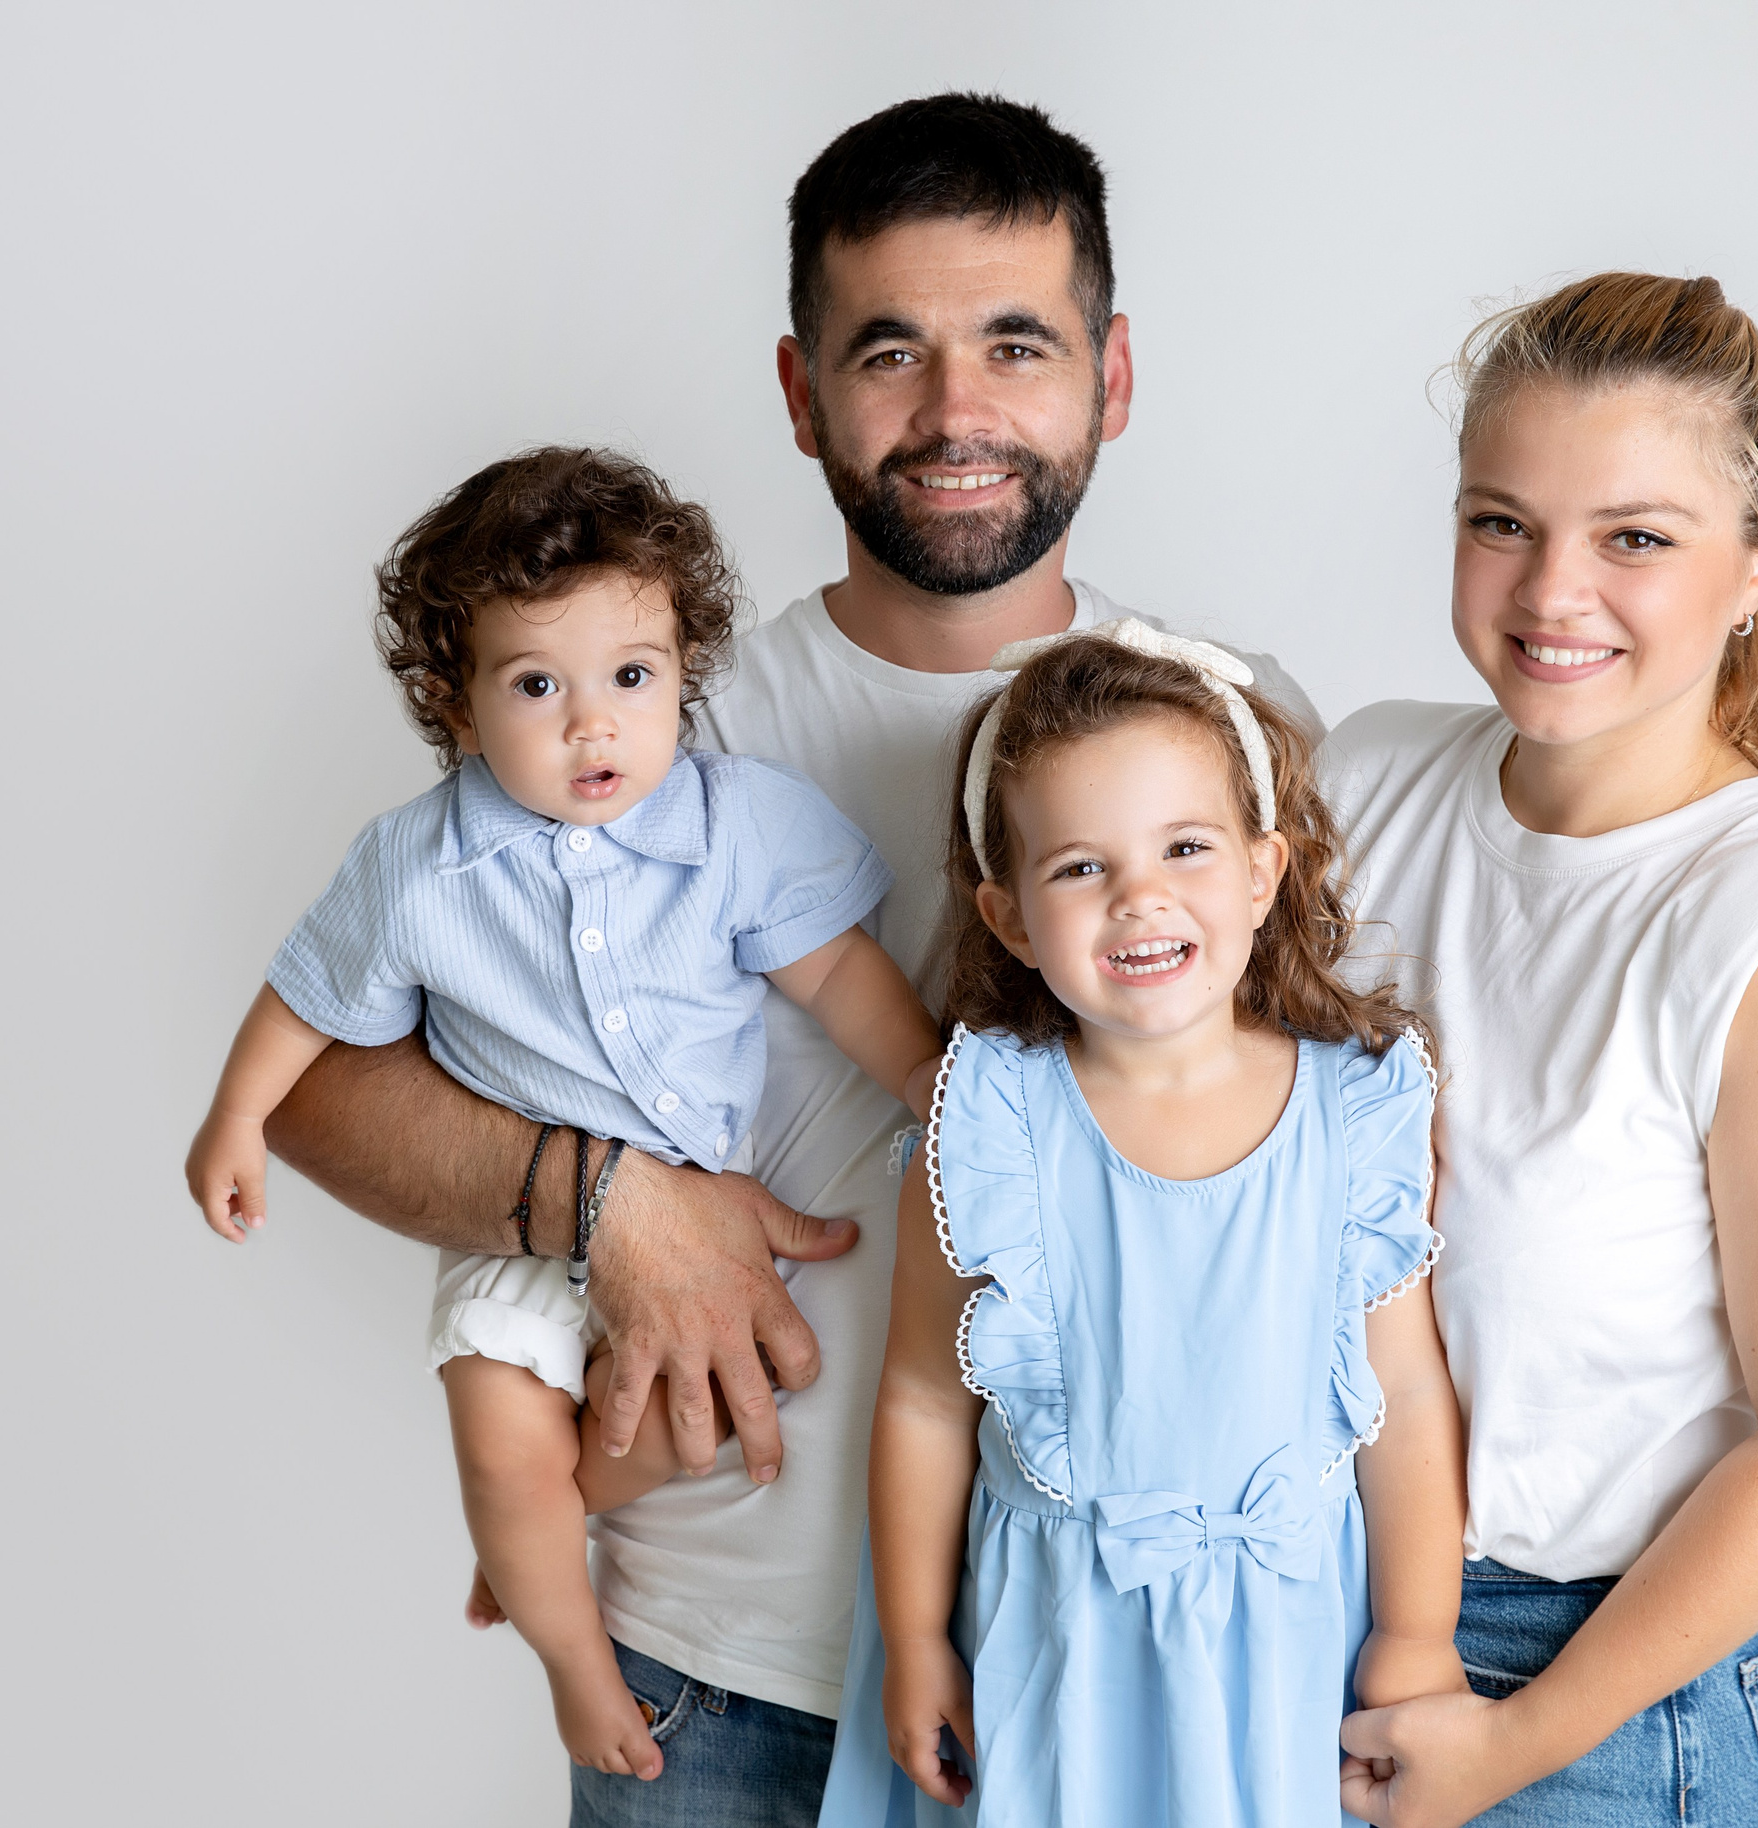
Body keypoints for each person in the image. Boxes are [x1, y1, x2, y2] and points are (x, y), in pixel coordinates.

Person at [257, 95, 1314, 1824]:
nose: (956, 410)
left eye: (1017, 344)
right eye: (889, 349)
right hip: (721, 1670)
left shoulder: (1232, 733)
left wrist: (1620, 1529)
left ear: (1111, 377)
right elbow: (315, 1092)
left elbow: (1358, 1171)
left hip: (1132, 1663)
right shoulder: (637, 721)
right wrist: (612, 1201)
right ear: (800, 389)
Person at [185, 447, 945, 1780]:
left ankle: (525, 1535)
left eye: (632, 681)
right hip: (524, 1239)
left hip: (714, 1225)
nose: (594, 726)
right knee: (498, 1426)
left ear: (683, 672)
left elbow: (835, 973)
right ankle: (572, 1656)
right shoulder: (417, 862)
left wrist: (935, 1084)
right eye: (541, 687)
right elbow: (306, 1000)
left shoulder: (736, 823)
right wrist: (233, 1122)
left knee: (709, 1400)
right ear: (459, 706)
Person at [1326, 272, 1758, 1825]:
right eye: (1502, 521)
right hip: (1311, 1615)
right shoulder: (1368, 779)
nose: (1552, 592)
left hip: (1589, 1705)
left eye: (1637, 539)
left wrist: (1517, 1739)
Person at [818, 621, 1466, 1828]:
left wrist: (1417, 1636)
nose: (1139, 898)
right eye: (1079, 868)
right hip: (1057, 1651)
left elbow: (1408, 1398)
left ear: (1264, 871)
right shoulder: (991, 1120)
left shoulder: (1356, 1110)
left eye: (1184, 846)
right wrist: (913, 1638)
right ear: (1007, 917)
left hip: (1286, 1658)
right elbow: (918, 1394)